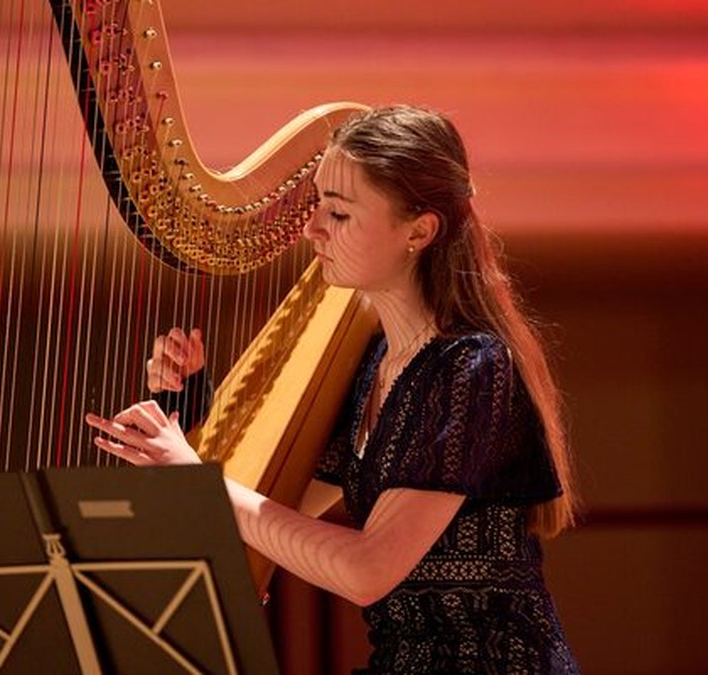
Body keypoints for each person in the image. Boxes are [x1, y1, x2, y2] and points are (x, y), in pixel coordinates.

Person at [85, 104, 580, 673]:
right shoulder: (375, 364)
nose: (311, 228)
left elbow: (366, 571)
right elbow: (275, 512)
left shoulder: (470, 368)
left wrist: (198, 478)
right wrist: (190, 409)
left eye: (338, 214)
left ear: (419, 231)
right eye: (316, 204)